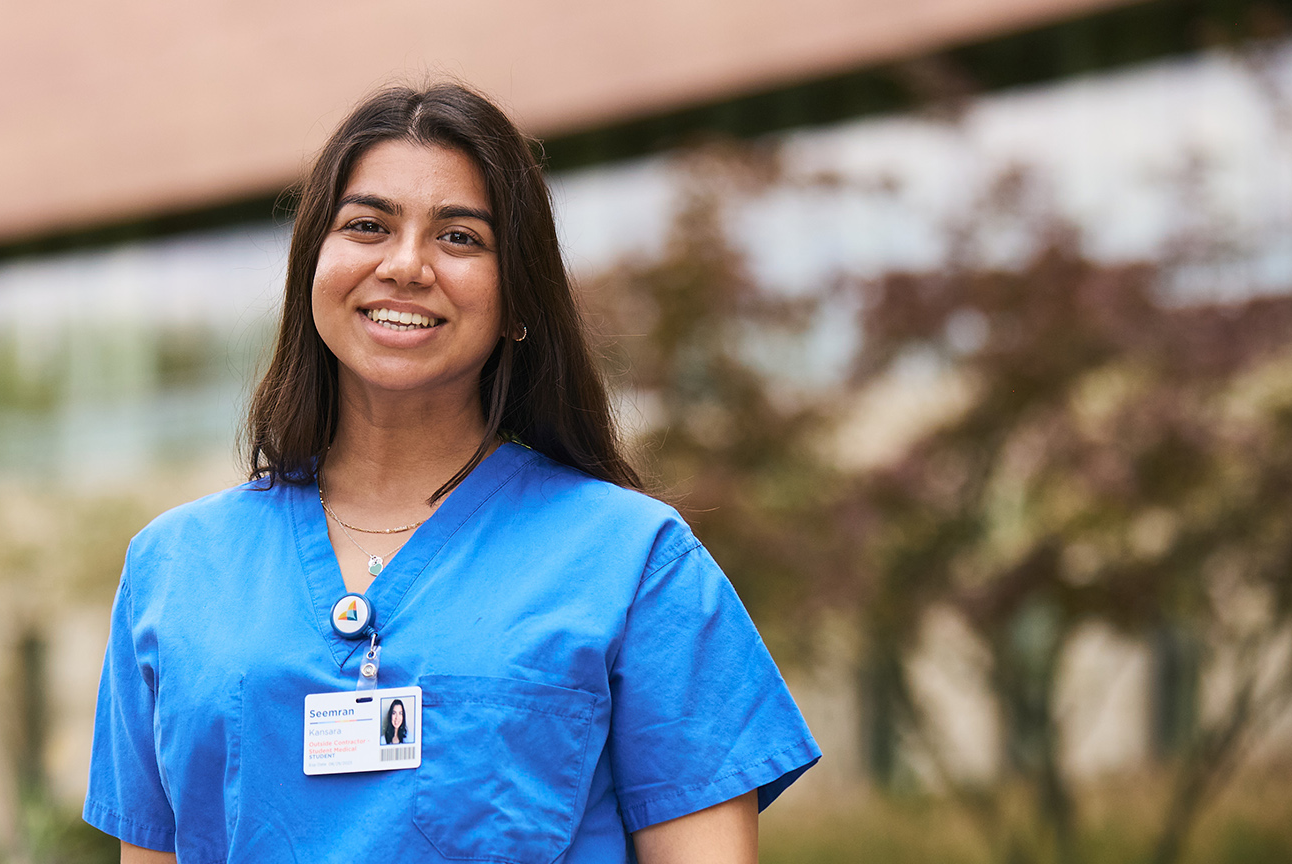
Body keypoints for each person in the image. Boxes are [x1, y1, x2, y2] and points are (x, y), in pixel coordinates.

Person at [86, 82, 818, 864]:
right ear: (313, 269)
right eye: (367, 226)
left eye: (460, 238)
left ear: (518, 302)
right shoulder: (173, 568)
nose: (405, 265)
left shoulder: (633, 560)